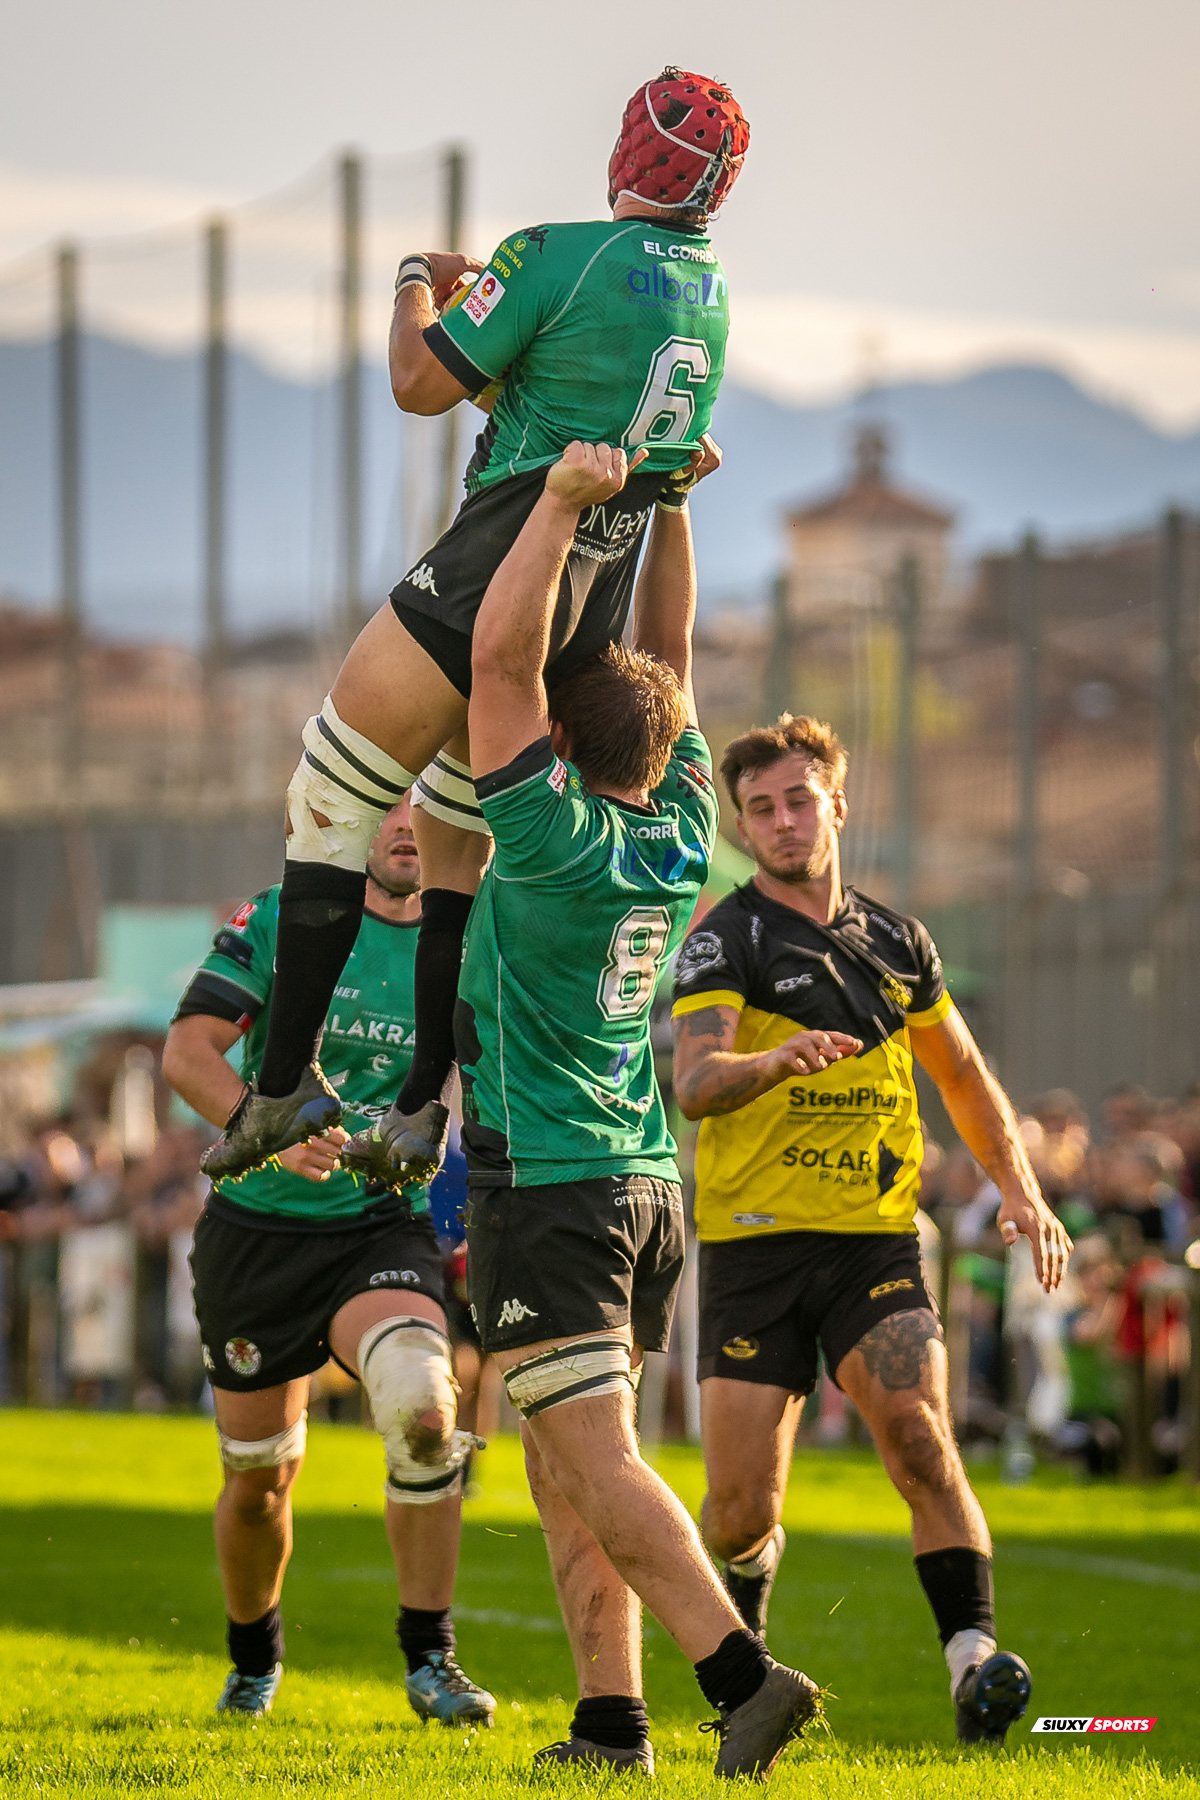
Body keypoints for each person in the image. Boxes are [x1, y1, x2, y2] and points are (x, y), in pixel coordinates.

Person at [200, 68, 750, 1187]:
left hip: (492, 571)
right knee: (455, 847)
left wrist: (419, 281)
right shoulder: (711, 296)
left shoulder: (554, 253)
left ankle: (284, 1078)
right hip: (586, 618)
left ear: (628, 152)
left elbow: (418, 382)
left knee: (330, 799)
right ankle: (420, 1106)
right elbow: (558, 400)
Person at [454, 437, 824, 1780]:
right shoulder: (678, 830)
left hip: (554, 1180)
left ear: (558, 742)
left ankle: (743, 1677)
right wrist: (666, 506)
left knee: (594, 1458)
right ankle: (611, 1724)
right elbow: (666, 660)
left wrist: (561, 503)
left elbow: (500, 662)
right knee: (564, 1462)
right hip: (643, 1178)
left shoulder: (548, 835)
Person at [669, 713, 1073, 1745]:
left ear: (838, 806)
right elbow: (696, 1082)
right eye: (760, 809)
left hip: (874, 1242)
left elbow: (963, 1075)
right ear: (743, 827)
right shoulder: (726, 938)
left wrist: (1021, 1188)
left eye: (799, 800)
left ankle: (974, 1669)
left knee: (922, 1441)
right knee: (738, 1512)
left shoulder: (899, 942)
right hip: (754, 1246)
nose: (782, 821)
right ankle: (752, 1652)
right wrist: (771, 1061)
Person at [161, 800, 494, 1725]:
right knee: (259, 1480)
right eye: (388, 802)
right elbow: (186, 1052)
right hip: (256, 1236)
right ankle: (253, 1660)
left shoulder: (468, 935)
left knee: (425, 1409)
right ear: (346, 817)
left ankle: (431, 1660)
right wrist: (258, 1128)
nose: (408, 822)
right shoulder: (283, 916)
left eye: (428, 802)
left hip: (378, 1225)